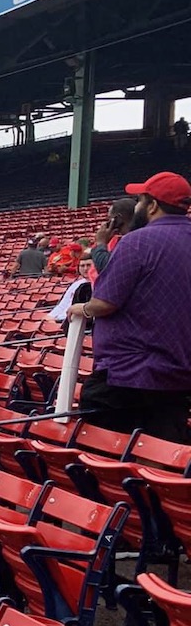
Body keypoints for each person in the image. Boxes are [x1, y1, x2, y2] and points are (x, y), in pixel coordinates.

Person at [68, 171, 191, 443]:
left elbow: (105, 303)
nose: (136, 207)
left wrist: (83, 309)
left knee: (103, 455)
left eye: (139, 200)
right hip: (179, 374)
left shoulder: (137, 242)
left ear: (153, 205)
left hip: (129, 373)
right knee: (165, 457)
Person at [88, 196, 137, 280]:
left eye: (110, 218)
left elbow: (108, 269)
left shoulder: (131, 240)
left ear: (117, 218)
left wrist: (101, 242)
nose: (108, 222)